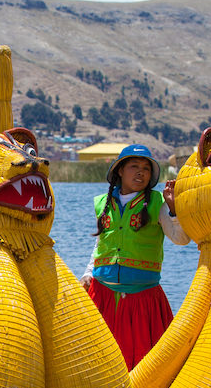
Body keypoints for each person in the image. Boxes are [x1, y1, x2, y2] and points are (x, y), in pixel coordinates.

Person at [81, 144, 190, 370]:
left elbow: (180, 239)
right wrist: (87, 274)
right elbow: (101, 243)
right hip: (102, 296)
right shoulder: (103, 203)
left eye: (146, 168)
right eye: (134, 166)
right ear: (120, 170)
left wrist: (173, 208)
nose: (140, 172)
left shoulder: (158, 203)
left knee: (145, 367)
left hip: (142, 301)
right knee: (97, 364)